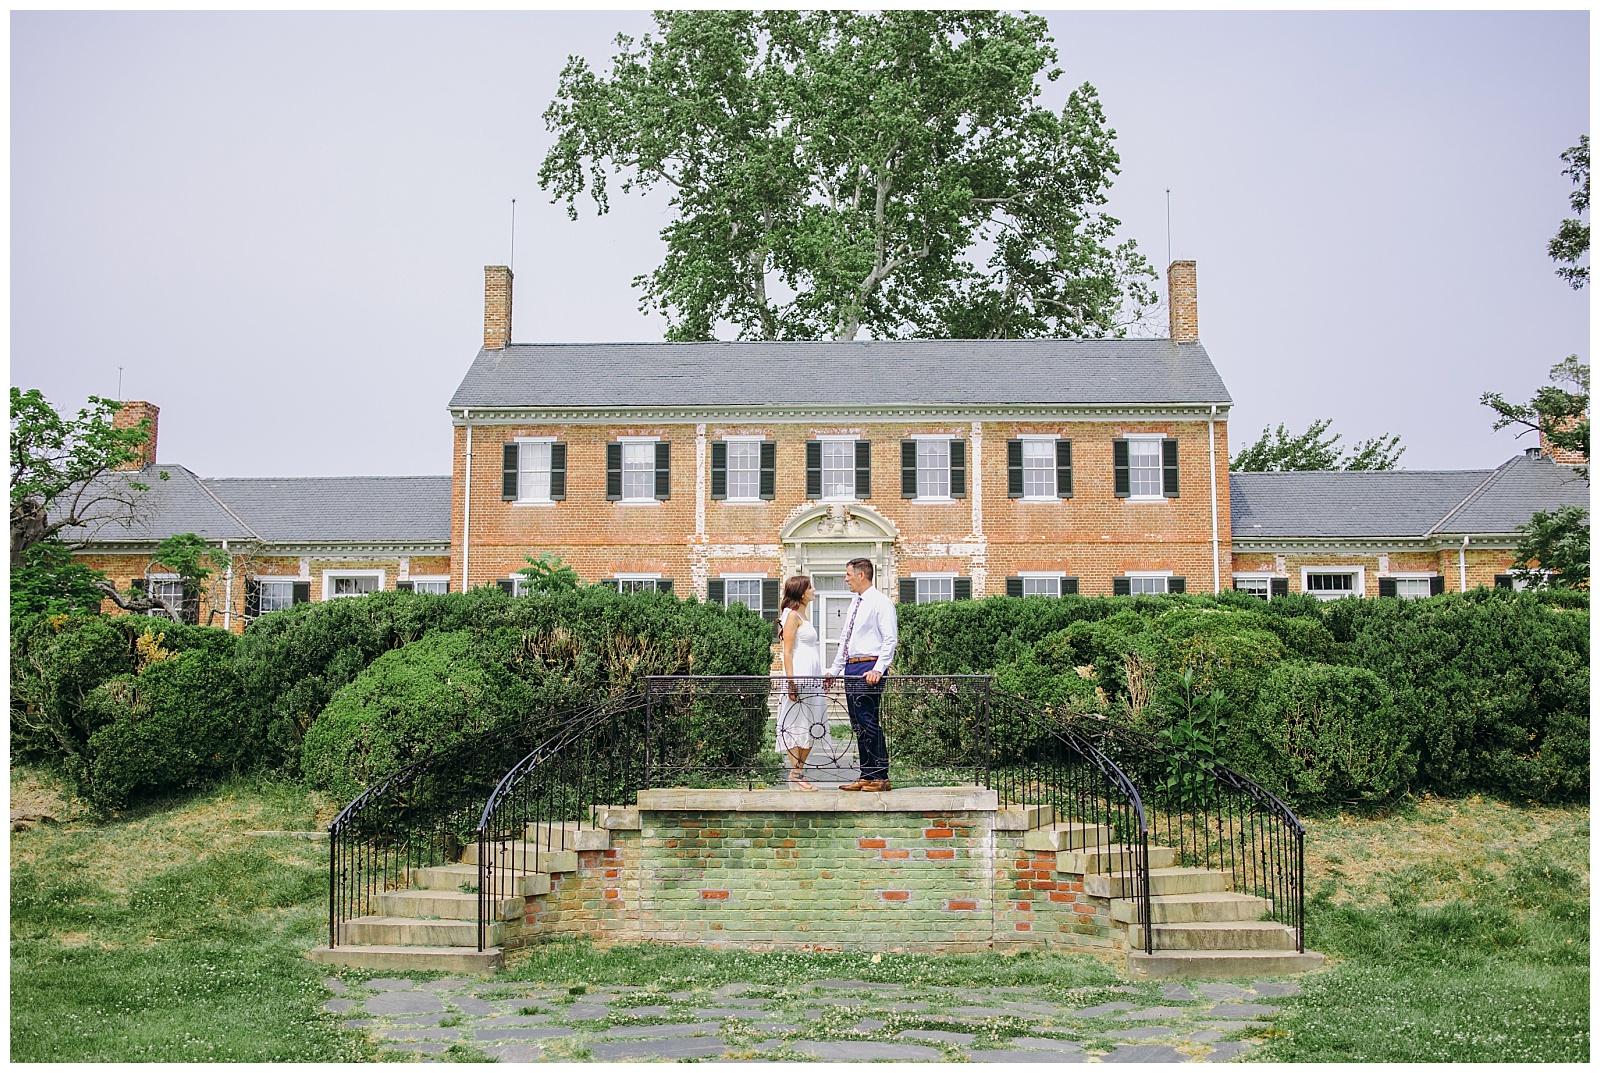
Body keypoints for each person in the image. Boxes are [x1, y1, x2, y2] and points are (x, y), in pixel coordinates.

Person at [826, 557, 897, 792]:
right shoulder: (855, 603)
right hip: (851, 668)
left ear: (861, 575)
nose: (846, 579)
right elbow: (845, 641)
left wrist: (879, 669)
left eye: (848, 574)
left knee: (869, 722)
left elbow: (889, 639)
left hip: (869, 668)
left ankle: (881, 776)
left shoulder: (881, 603)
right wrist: (835, 670)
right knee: (858, 724)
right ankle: (866, 775)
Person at [776, 574, 827, 790]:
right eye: (810, 587)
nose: (814, 589)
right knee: (796, 723)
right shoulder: (792, 616)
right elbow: (787, 651)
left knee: (813, 724)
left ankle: (798, 773)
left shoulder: (804, 615)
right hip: (799, 675)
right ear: (801, 592)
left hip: (813, 676)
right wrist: (791, 682)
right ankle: (796, 774)